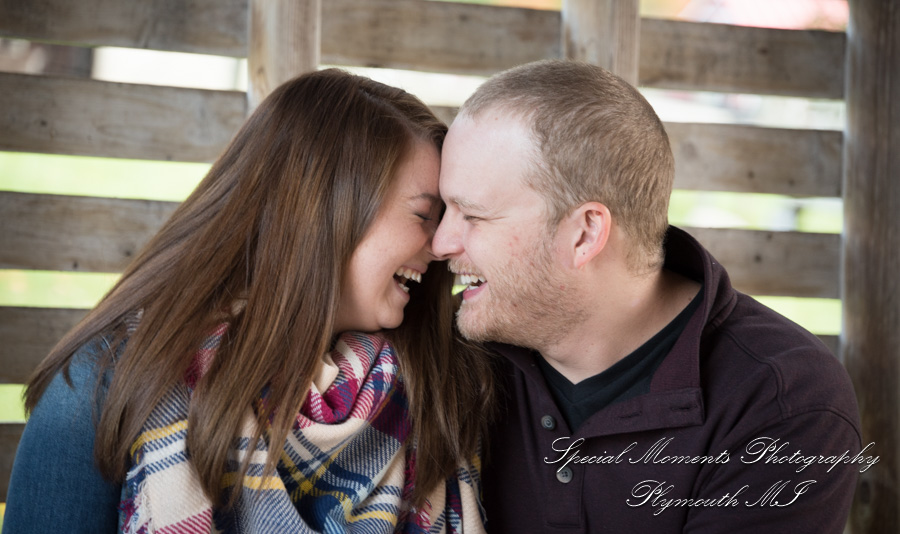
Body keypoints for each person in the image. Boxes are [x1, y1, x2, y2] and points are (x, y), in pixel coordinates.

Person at [5, 69, 494, 533]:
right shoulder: (107, 383)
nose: (440, 245)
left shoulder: (437, 389)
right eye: (424, 215)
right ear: (326, 211)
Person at [432, 59, 863, 533]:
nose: (440, 244)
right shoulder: (446, 354)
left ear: (585, 234)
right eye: (441, 209)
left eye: (473, 216)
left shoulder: (783, 401)